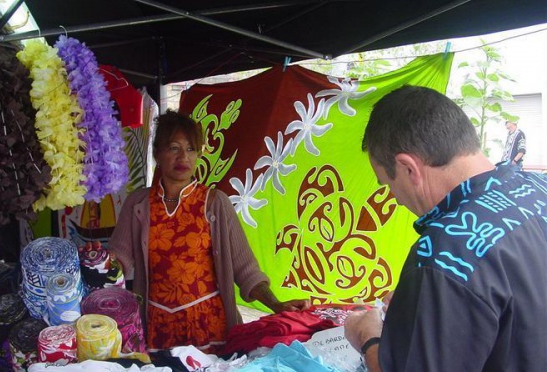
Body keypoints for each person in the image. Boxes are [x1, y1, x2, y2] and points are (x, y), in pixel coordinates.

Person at [344, 85, 547, 371]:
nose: (394, 198)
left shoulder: (443, 252)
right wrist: (423, 302)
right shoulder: (539, 188)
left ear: (408, 168)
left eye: (387, 184)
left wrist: (368, 337)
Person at [108, 110, 310, 354]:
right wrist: (95, 260)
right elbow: (118, 261)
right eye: (173, 148)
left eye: (191, 149)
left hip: (210, 328)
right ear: (157, 153)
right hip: (157, 329)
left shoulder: (214, 202)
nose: (184, 157)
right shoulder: (138, 204)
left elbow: (245, 270)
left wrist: (276, 304)